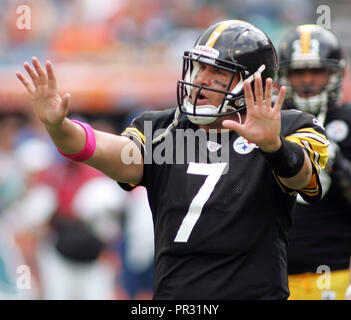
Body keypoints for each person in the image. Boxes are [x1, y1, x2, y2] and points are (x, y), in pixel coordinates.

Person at [16, 19, 329, 300]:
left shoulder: (291, 126)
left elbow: (304, 180)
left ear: (252, 83)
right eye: (199, 67)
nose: (201, 79)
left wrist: (273, 146)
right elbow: (113, 153)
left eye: (217, 72)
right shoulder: (164, 130)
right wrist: (60, 128)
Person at [277, 24, 351, 300]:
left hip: (335, 270)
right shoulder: (272, 122)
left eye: (316, 71)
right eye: (299, 72)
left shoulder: (348, 120)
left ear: (334, 74)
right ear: (285, 75)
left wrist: (338, 164)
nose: (307, 80)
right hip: (271, 271)